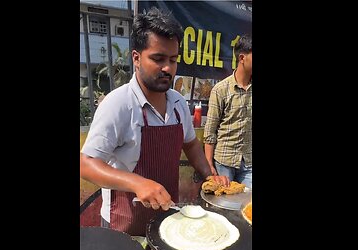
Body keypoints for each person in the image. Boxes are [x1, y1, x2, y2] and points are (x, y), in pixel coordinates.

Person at [80, 7, 229, 237]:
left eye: (173, 59)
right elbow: (86, 163)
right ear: (136, 58)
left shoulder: (179, 103)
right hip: (125, 224)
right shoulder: (118, 104)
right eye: (158, 59)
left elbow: (190, 144)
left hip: (168, 218)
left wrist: (210, 175)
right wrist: (138, 183)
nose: (168, 68)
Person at [203, 34, 253, 189]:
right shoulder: (221, 90)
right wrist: (209, 165)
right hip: (224, 162)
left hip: (249, 162)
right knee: (222, 206)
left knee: (247, 207)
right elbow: (210, 132)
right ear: (242, 58)